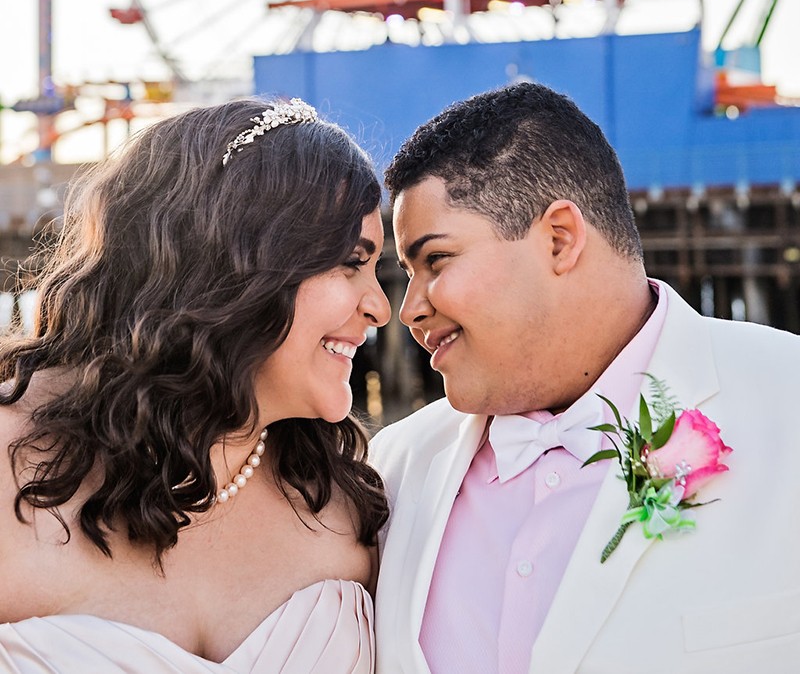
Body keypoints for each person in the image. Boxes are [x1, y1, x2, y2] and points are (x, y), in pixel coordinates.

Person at [369, 82, 800, 674]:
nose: (409, 308)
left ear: (559, 238)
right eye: (407, 272)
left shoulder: (789, 403)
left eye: (436, 261)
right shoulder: (389, 472)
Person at [0, 96, 391, 673]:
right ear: (238, 264)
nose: (381, 308)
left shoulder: (355, 507)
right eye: (350, 263)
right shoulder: (8, 462)